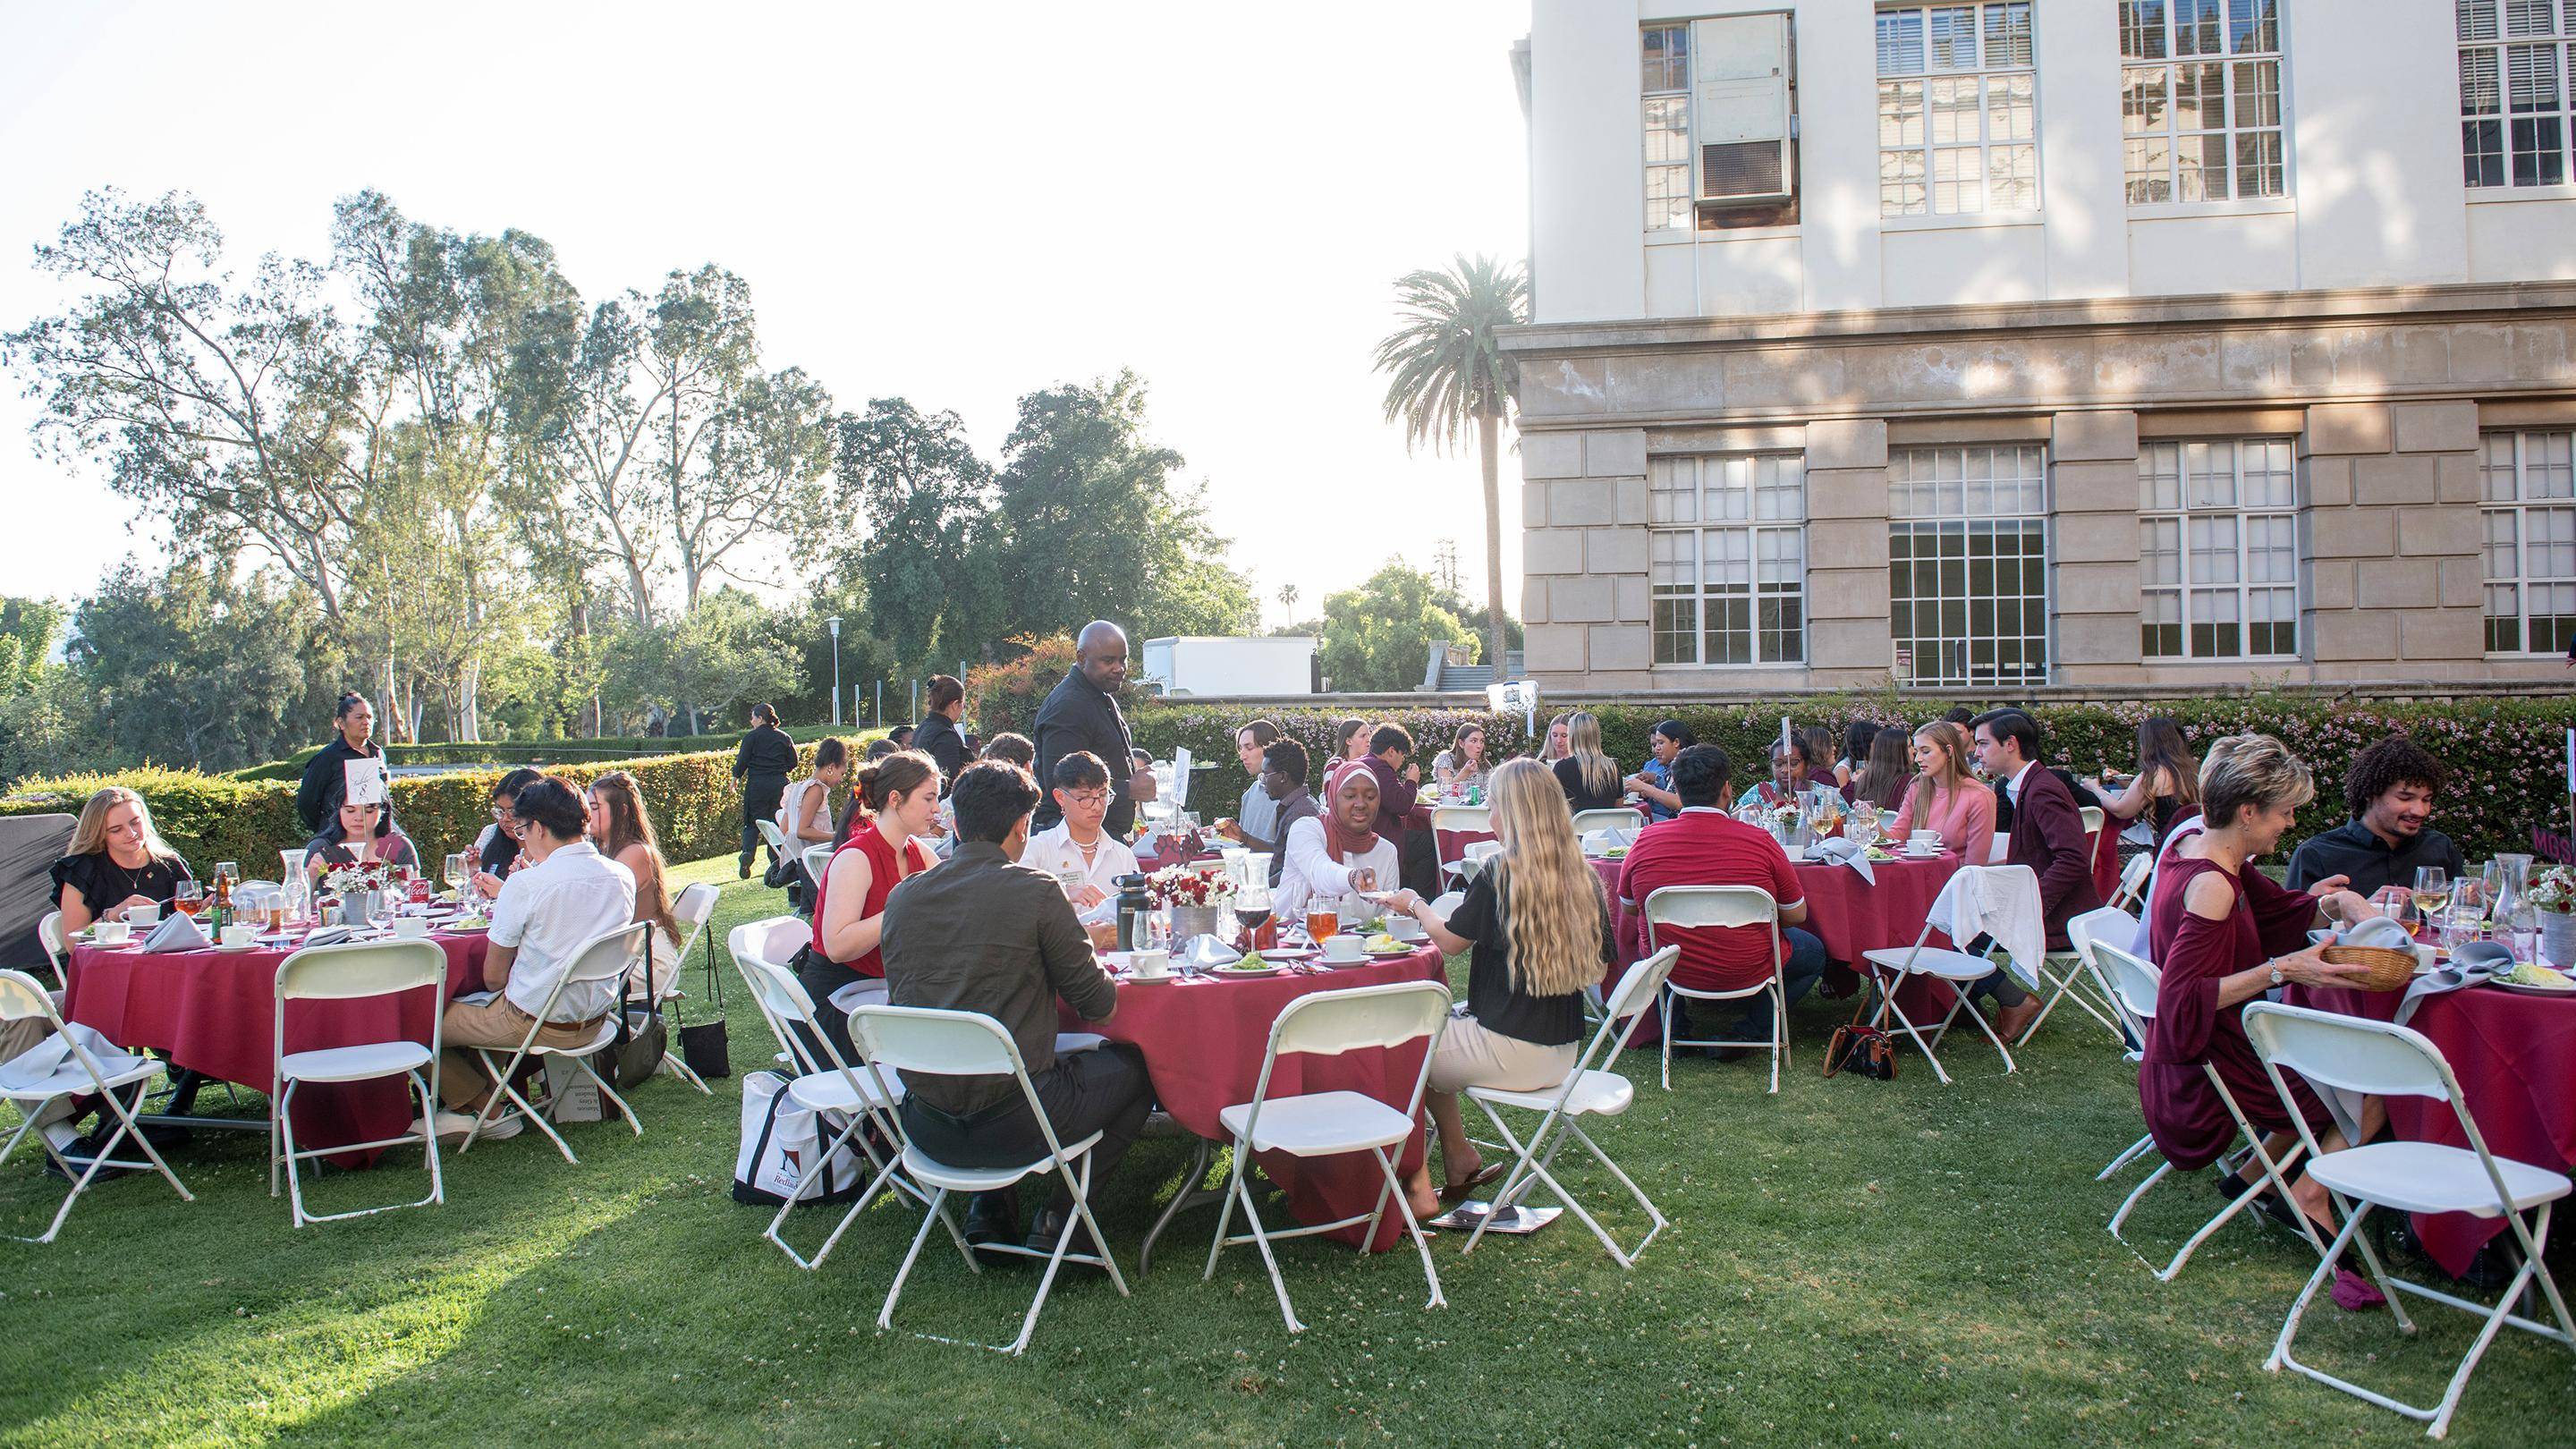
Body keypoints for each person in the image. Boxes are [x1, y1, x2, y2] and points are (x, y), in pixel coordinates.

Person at [880, 758, 1148, 1257]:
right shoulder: (1036, 892)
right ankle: (1062, 1219)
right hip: (1019, 1122)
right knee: (1136, 1067)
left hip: (924, 1126)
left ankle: (992, 1206)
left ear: (956, 823)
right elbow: (1101, 1005)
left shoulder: (902, 898)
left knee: (988, 1055)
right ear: (1023, 827)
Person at [2146, 733, 2381, 1235]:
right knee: (2380, 1081)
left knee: (2350, 1055)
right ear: (2249, 811)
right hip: (2222, 1062)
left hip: (2222, 1048)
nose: (2292, 823)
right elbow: (2183, 1001)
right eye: (2287, 811)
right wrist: (2285, 970)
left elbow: (2275, 912)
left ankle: (2259, 1177)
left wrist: (2335, 904)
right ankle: (2310, 1194)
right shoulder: (2212, 885)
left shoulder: (2197, 847)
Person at [1382, 757, 1610, 1217]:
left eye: (1493, 807)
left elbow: (1448, 942)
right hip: (1561, 1052)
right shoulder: (1581, 874)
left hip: (1510, 1045)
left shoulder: (1500, 872)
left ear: (1515, 812)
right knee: (1434, 1034)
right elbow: (1604, 962)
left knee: (1399, 1046)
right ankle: (1458, 1156)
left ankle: (1417, 1185)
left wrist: (1416, 904)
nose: (1489, 818)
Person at [423, 776, 637, 1144]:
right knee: (484, 1008)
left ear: (537, 827)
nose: (521, 838)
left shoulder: (528, 885)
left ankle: (486, 1107)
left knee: (416, 1023)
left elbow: (493, 978)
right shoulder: (620, 875)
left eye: (521, 829)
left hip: (537, 1022)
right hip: (598, 1018)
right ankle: (467, 1108)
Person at [1617, 745, 1827, 1059]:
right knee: (1815, 953)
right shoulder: (1760, 841)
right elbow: (1796, 914)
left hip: (1671, 965)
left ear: (1677, 787)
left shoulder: (1646, 840)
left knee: (1650, 938)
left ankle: (1674, 1027)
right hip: (1748, 963)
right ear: (1727, 790)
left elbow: (1630, 908)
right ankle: (1750, 1030)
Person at [800, 750, 943, 1063]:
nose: (937, 809)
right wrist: (901, 909)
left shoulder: (917, 851)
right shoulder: (856, 857)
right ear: (895, 799)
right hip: (839, 1003)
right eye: (929, 799)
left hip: (886, 995)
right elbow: (837, 946)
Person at [1970, 709, 2103, 1036]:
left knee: (1953, 932)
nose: (1976, 753)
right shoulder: (2028, 785)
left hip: (2061, 918)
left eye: (1984, 744)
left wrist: (2030, 905)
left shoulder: (2041, 789)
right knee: (1956, 918)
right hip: (2049, 909)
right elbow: (2036, 859)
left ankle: (2012, 1002)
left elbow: (2073, 859)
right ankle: (1971, 1008)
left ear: (2011, 744)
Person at [2283, 734, 2470, 900]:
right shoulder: (2317, 855)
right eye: (2405, 798)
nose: (2420, 811)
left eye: (2426, 800)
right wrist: (2366, 910)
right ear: (2371, 794)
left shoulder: (2439, 848)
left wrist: (2472, 899)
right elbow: (2294, 929)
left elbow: (2463, 918)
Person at [1033, 621, 1139, 837]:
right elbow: (1061, 783)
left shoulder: (1099, 694)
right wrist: (1131, 788)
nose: (1119, 668)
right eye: (1108, 661)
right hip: (1069, 842)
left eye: (1123, 659)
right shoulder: (1068, 706)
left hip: (1099, 836)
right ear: (1081, 658)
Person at [1019, 751, 1141, 930]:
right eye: (1085, 798)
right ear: (1060, 797)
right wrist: (1064, 891)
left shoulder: (1122, 854)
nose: (1097, 806)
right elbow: (1018, 897)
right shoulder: (1038, 848)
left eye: (1103, 795)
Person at [588, 771, 682, 1001]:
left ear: (622, 811)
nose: (587, 814)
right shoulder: (605, 849)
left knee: (570, 984)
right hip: (625, 955)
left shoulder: (634, 853)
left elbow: (598, 909)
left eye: (595, 807)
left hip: (648, 960)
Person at [49, 786, 193, 933]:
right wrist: (113, 915)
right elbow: (72, 943)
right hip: (107, 956)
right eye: (116, 829)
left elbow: (193, 922)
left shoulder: (170, 865)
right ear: (99, 833)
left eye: (135, 822)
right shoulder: (82, 870)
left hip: (165, 954)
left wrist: (210, 907)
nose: (131, 833)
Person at [1276, 758, 1400, 919]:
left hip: (1360, 944)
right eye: (1350, 796)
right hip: (1294, 939)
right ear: (1334, 798)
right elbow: (1319, 872)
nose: (1361, 804)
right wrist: (1352, 877)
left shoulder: (1386, 852)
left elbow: (1385, 918)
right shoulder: (1306, 829)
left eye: (1370, 797)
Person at [2093, 716, 2200, 852]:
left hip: (2166, 846)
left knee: (2103, 845)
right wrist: (2124, 782)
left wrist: (2095, 788)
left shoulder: (2152, 775)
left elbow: (2120, 810)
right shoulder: (2190, 770)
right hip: (2190, 842)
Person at [295, 691, 394, 839]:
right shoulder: (327, 758)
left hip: (374, 840)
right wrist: (328, 827)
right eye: (359, 717)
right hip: (335, 840)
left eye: (369, 717)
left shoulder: (377, 753)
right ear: (341, 723)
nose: (366, 722)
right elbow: (306, 803)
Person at [1885, 720, 1996, 851]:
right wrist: (1872, 823)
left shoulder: (1978, 796)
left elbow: (1975, 864)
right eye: (1916, 752)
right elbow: (1896, 838)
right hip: (1917, 869)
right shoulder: (1917, 788)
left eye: (1925, 751)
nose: (1917, 759)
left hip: (1958, 870)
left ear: (1949, 751)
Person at [1360, 723, 1431, 894]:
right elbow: (1403, 805)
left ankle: (1405, 889)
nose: (1402, 761)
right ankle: (1418, 900)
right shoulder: (1381, 768)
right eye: (1402, 755)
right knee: (1429, 844)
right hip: (1381, 837)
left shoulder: (1363, 762)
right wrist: (1411, 781)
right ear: (1391, 751)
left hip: (1366, 833)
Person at [731, 703, 797, 880]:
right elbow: (793, 762)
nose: (751, 721)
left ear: (760, 718)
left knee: (752, 823)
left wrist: (735, 778)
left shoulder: (751, 738)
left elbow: (742, 761)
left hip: (757, 784)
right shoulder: (784, 737)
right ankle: (775, 862)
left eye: (753, 717)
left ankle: (748, 854)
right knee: (776, 824)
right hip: (779, 784)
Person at [469, 767, 544, 898]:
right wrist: (473, 871)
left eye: (512, 812)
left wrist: (505, 892)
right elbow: (474, 899)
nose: (504, 819)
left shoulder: (552, 844)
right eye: (500, 811)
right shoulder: (490, 834)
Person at [302, 798, 420, 879]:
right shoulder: (320, 848)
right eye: (350, 810)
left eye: (369, 810)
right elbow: (297, 903)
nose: (359, 817)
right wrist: (311, 874)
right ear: (338, 810)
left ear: (383, 811)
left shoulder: (398, 845)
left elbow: (414, 899)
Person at [1257, 738, 1318, 888]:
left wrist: (1257, 888)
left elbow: (1295, 871)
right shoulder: (1295, 805)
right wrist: (1242, 837)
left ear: (1283, 777)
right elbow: (1281, 853)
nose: (1263, 781)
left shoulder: (1301, 814)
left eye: (1266, 775)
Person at [1216, 719, 1283, 854]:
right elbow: (1242, 842)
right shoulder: (1251, 792)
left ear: (1270, 748)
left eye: (1249, 748)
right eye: (1240, 749)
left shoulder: (1289, 794)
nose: (1242, 756)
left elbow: (1285, 853)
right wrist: (1221, 833)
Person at [781, 738, 849, 852]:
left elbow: (783, 829)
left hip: (792, 856)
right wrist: (838, 836)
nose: (841, 779)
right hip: (810, 859)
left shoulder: (795, 788)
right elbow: (802, 831)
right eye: (842, 773)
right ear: (831, 767)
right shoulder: (816, 790)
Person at [1622, 720, 1692, 822]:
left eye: (1661, 743)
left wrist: (1645, 788)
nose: (1656, 749)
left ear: (1676, 742)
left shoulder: (1690, 765)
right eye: (1655, 745)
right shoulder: (1672, 766)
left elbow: (1680, 802)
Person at [1553, 711, 1624, 813]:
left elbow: (1554, 810)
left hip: (1575, 828)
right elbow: (1618, 810)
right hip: (1606, 828)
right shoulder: (1613, 767)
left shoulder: (1562, 768)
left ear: (1572, 737)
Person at [912, 674, 969, 792]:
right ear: (954, 704)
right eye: (963, 705)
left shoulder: (922, 727)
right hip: (944, 806)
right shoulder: (944, 736)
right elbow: (947, 783)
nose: (963, 709)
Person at [1847, 726, 1912, 812]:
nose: (1914, 750)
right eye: (1910, 746)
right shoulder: (1910, 783)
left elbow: (1843, 810)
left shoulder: (1861, 781)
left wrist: (1852, 784)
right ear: (1898, 752)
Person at [1432, 724, 1490, 794]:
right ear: (1461, 743)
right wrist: (1465, 772)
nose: (1479, 746)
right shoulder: (1446, 758)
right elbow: (1444, 791)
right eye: (1474, 741)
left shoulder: (1484, 764)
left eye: (1482, 741)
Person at [1834, 721, 1880, 791]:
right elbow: (1842, 798)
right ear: (1866, 742)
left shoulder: (1872, 763)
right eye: (1877, 741)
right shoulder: (1843, 769)